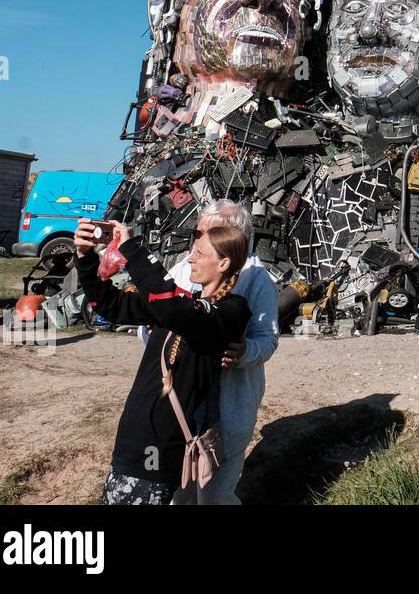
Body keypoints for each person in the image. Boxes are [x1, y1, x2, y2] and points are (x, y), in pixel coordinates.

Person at [75, 219, 250, 505]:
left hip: (158, 449)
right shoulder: (182, 303)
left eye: (200, 254)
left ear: (223, 264)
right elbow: (109, 304)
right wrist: (85, 257)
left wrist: (132, 248)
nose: (190, 258)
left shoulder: (230, 311)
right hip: (130, 440)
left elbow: (173, 306)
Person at [160, 199, 279, 504]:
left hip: (227, 409)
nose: (195, 242)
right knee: (177, 494)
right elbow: (158, 318)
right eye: (197, 233)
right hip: (183, 406)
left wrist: (243, 352)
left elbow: (267, 340)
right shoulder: (186, 268)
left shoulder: (256, 278)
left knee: (213, 496)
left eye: (203, 233)